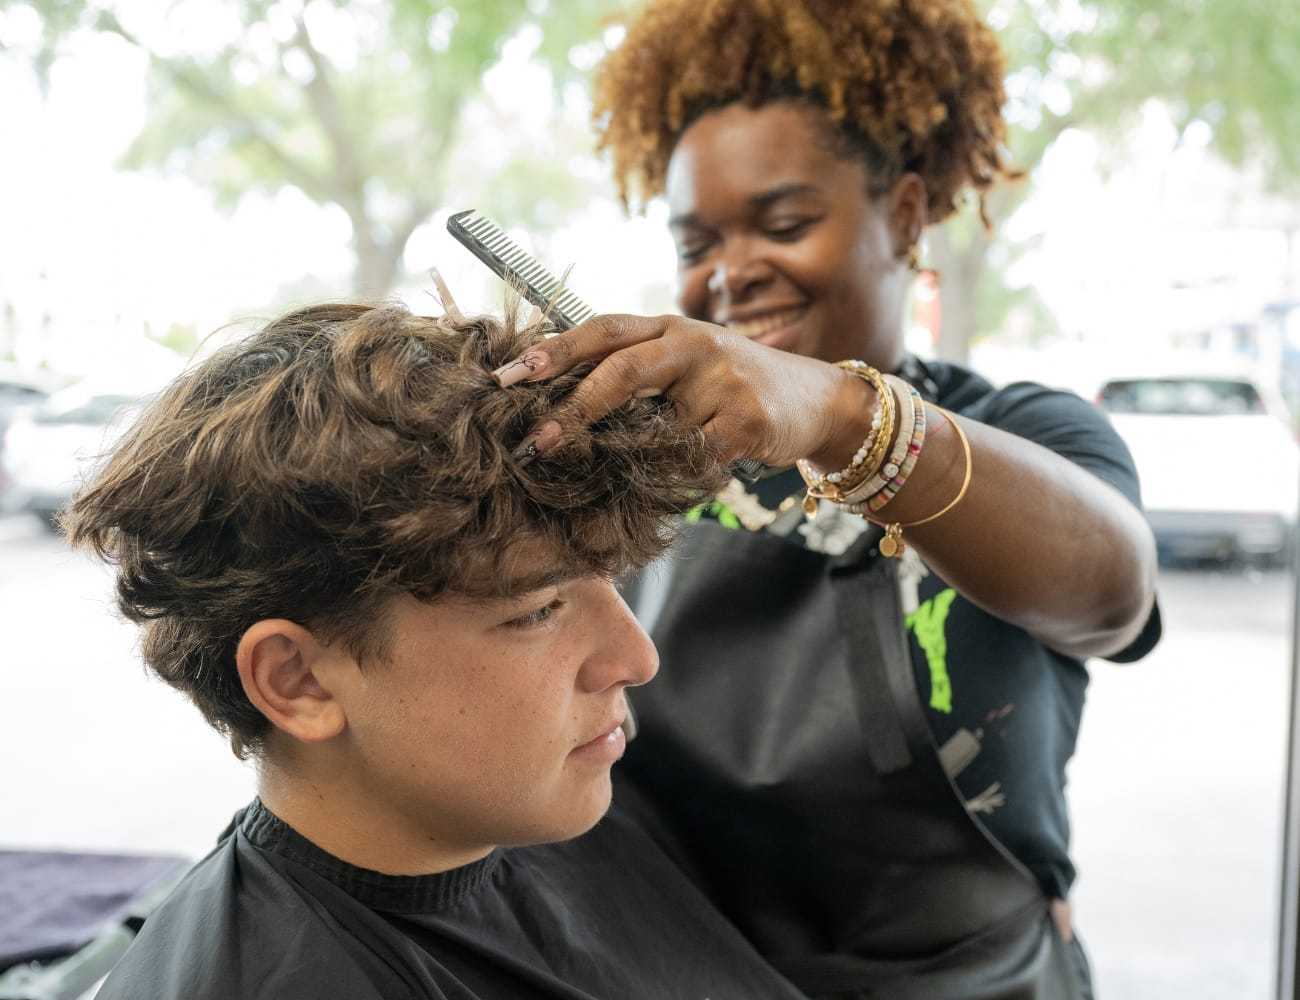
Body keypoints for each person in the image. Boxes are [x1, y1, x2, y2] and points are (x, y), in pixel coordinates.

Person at [489, 1, 1162, 995]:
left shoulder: (1027, 435)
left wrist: (846, 419)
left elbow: (1111, 595)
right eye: (694, 242)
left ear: (899, 214)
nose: (729, 275)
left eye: (784, 222)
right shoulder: (643, 452)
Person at [67, 303, 807, 1000]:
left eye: (614, 582)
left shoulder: (544, 806)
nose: (636, 657)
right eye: (539, 610)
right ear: (298, 681)